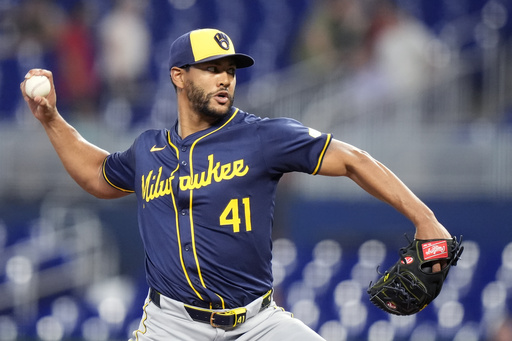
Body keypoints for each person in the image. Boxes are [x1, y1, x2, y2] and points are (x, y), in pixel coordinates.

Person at [21, 28, 452, 341]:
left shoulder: (263, 136)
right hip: (171, 327)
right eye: (211, 69)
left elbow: (354, 161)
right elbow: (98, 175)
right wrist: (51, 119)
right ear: (179, 76)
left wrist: (425, 218)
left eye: (229, 69)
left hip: (257, 324)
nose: (225, 78)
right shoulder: (149, 150)